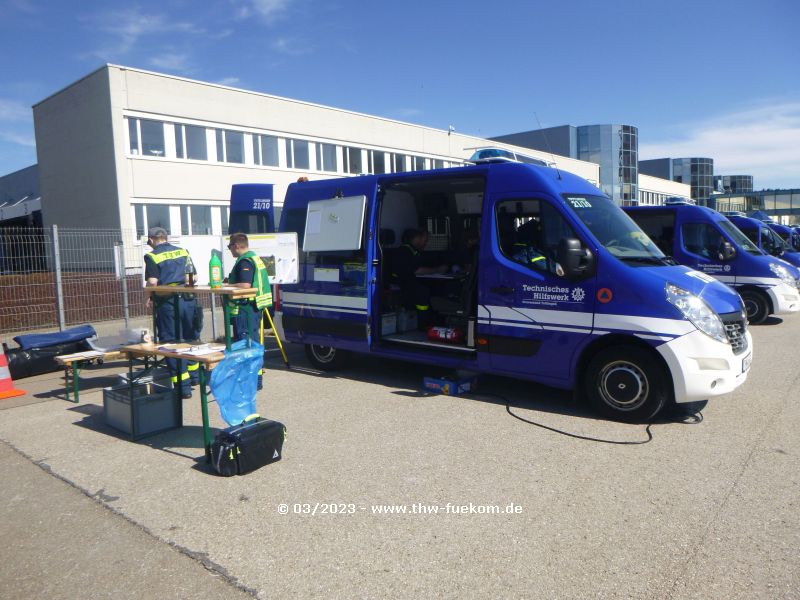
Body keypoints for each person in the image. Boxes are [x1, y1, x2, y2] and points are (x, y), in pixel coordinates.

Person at [143, 227, 198, 399]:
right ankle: (195, 377)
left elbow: (152, 282)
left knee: (171, 344)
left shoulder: (152, 256)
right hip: (189, 300)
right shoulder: (183, 251)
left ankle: (183, 388)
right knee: (189, 339)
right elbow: (194, 277)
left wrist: (149, 297)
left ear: (151, 239)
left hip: (168, 303)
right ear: (165, 238)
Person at [226, 233, 272, 390]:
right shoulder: (255, 258)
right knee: (253, 345)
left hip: (245, 309)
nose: (229, 250)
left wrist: (225, 286)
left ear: (237, 246)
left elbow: (245, 285)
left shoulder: (245, 261)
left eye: (230, 246)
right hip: (254, 308)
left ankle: (249, 382)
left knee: (245, 345)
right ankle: (255, 380)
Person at [390, 228, 448, 327]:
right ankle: (423, 322)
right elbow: (417, 270)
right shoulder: (405, 251)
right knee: (422, 292)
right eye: (425, 238)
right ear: (417, 238)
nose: (426, 242)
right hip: (402, 284)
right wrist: (437, 270)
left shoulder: (413, 251)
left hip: (409, 282)